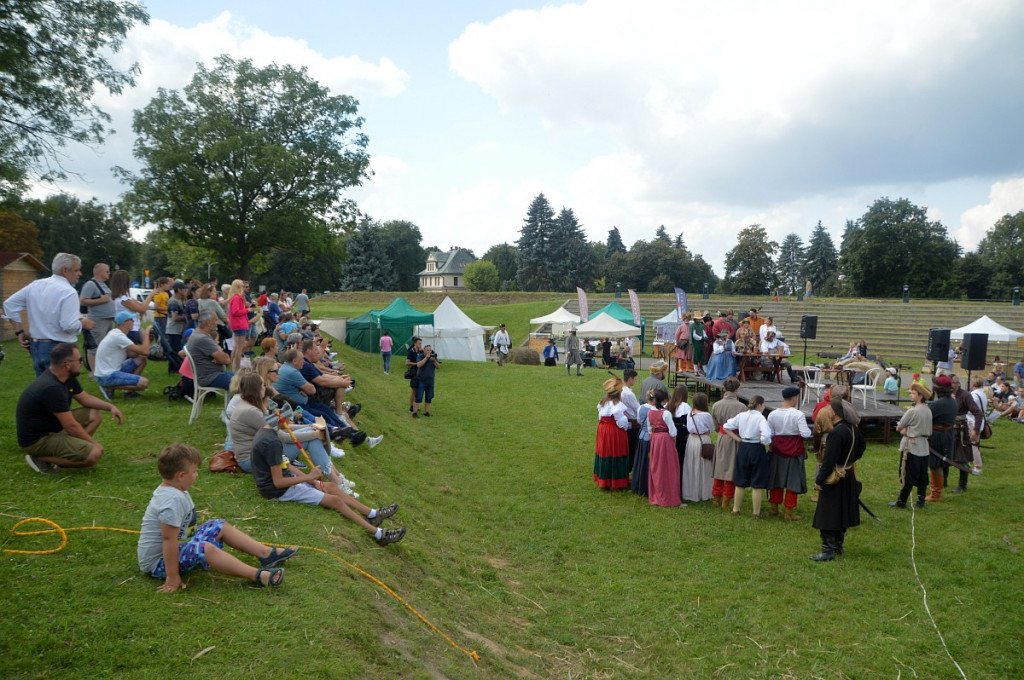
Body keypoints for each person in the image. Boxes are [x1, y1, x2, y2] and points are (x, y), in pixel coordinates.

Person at [138, 443, 299, 591]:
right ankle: (258, 576)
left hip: (177, 547)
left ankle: (266, 554)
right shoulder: (171, 501)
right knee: (204, 548)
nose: (197, 475)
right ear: (181, 475)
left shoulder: (176, 490)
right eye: (194, 471)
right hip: (159, 563)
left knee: (218, 525)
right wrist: (172, 577)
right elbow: (169, 540)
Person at [250, 423, 405, 546]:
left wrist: (314, 480)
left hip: (283, 483)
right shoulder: (272, 443)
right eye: (287, 420)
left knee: (330, 487)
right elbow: (278, 482)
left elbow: (287, 466)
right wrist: (308, 477)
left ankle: (373, 514)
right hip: (277, 491)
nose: (290, 423)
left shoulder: (270, 435)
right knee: (335, 501)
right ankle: (378, 534)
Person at [15, 342, 124, 473]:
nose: (81, 363)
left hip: (51, 428)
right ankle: (41, 459)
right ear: (67, 364)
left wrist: (110, 407)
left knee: (94, 414)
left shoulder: (66, 377)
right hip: (37, 441)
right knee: (93, 454)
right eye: (79, 360)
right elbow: (70, 426)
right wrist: (94, 444)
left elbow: (85, 399)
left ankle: (71, 452)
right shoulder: (52, 388)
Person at [229, 373, 345, 486]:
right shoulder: (251, 411)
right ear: (257, 388)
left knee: (310, 433)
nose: (266, 387)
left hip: (260, 454)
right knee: (312, 438)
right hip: (252, 460)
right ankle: (336, 480)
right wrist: (314, 435)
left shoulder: (251, 405)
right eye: (263, 384)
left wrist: (308, 426)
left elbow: (281, 427)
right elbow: (282, 437)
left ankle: (336, 477)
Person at [3, 252, 95, 376]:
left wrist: (19, 332)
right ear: (65, 271)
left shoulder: (35, 285)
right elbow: (69, 325)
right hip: (60, 349)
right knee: (62, 390)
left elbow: (10, 304)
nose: (80, 274)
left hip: (36, 346)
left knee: (44, 390)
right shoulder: (69, 292)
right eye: (77, 270)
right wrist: (84, 324)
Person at [810, 397, 866, 561]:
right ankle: (838, 546)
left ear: (834, 412)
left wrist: (819, 480)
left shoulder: (836, 433)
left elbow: (828, 461)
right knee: (842, 511)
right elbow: (862, 447)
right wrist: (849, 461)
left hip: (835, 478)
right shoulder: (853, 429)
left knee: (828, 514)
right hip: (847, 475)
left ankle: (828, 551)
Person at [767, 386, 812, 520]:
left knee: (776, 478)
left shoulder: (773, 414)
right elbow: (805, 433)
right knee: (793, 480)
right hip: (794, 450)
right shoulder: (798, 414)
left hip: (777, 450)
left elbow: (770, 433)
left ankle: (774, 508)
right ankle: (788, 512)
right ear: (794, 398)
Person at [723, 395, 772, 518]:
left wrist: (738, 439)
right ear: (759, 405)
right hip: (756, 447)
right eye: (764, 404)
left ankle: (736, 509)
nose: (764, 407)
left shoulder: (742, 415)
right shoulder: (761, 418)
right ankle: (756, 512)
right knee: (757, 481)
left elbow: (726, 426)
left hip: (744, 447)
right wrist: (763, 441)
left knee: (740, 479)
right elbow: (766, 435)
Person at [890, 383, 933, 509]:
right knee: (922, 473)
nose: (911, 395)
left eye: (914, 393)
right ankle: (921, 500)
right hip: (924, 446)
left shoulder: (912, 411)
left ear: (920, 396)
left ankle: (902, 501)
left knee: (907, 472)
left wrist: (906, 430)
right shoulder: (928, 410)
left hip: (912, 446)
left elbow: (899, 427)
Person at [94, 311, 151, 400]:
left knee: (141, 360)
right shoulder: (118, 336)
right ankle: (108, 387)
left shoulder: (118, 334)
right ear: (124, 323)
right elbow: (145, 351)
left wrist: (145, 344)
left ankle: (128, 392)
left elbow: (133, 354)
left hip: (111, 370)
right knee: (144, 383)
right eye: (131, 320)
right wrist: (147, 333)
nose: (133, 321)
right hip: (106, 375)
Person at [711, 377, 744, 509]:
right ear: (736, 390)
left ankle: (716, 497)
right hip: (735, 438)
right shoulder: (741, 407)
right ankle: (726, 499)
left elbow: (714, 425)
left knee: (719, 466)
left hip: (721, 437)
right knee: (731, 468)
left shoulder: (716, 405)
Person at [646, 386, 682, 507]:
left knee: (656, 467)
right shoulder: (665, 413)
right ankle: (669, 497)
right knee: (669, 468)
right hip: (665, 441)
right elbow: (673, 431)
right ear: (663, 401)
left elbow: (649, 429)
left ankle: (657, 494)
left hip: (655, 440)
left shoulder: (650, 411)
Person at [594, 377, 630, 490]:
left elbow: (601, 416)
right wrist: (629, 425)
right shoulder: (617, 406)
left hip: (603, 430)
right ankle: (616, 481)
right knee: (615, 453)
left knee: (605, 452)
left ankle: (604, 480)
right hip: (614, 431)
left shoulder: (603, 402)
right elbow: (621, 423)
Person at [948, 375, 983, 493]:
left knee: (962, 459)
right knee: (944, 455)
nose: (951, 385)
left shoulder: (965, 395)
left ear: (958, 383)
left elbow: (978, 413)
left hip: (960, 430)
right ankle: (943, 482)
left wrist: (976, 430)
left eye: (953, 383)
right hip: (947, 429)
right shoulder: (946, 394)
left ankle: (962, 485)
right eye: (949, 383)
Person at [79, 262, 115, 376]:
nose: (109, 273)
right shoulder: (91, 284)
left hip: (108, 320)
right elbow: (83, 300)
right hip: (98, 321)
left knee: (106, 346)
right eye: (107, 271)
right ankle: (93, 373)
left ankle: (102, 370)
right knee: (95, 347)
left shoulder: (103, 285)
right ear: (99, 272)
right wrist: (101, 300)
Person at [926, 376, 957, 503]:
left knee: (935, 464)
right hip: (947, 434)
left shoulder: (939, 404)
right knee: (940, 463)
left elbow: (927, 417)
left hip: (939, 435)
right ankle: (937, 490)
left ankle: (936, 493)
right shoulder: (952, 401)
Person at [186, 310, 234, 390]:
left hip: (211, 375)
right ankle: (238, 402)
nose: (217, 322)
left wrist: (219, 357)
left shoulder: (197, 334)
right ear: (208, 322)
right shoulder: (203, 339)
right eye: (215, 320)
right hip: (211, 377)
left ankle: (237, 401)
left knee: (246, 377)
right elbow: (226, 360)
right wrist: (220, 355)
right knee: (247, 383)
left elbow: (223, 359)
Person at [682, 392, 714, 502]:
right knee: (704, 465)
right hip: (703, 439)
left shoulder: (690, 413)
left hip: (691, 440)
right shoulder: (706, 416)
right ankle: (703, 491)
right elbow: (711, 428)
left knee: (691, 464)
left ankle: (691, 491)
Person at [630, 389, 655, 497]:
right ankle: (648, 486)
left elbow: (639, 421)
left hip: (642, 437)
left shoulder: (641, 408)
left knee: (641, 462)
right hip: (651, 438)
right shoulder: (656, 410)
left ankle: (639, 484)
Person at [667, 385, 691, 482]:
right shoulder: (685, 406)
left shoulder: (668, 405)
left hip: (670, 433)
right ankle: (679, 480)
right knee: (680, 456)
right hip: (681, 434)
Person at [226, 279, 251, 371]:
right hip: (240, 324)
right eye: (242, 286)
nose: (244, 288)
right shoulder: (237, 298)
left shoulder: (235, 297)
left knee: (236, 347)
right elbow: (235, 311)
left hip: (237, 324)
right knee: (239, 348)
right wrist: (248, 310)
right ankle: (236, 368)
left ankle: (233, 366)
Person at [620, 369, 642, 470]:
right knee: (632, 449)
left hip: (626, 421)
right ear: (630, 379)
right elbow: (638, 408)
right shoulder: (628, 394)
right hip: (632, 422)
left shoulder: (622, 390)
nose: (635, 381)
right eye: (634, 379)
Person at [165, 282, 189, 372]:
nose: (186, 291)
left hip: (178, 329)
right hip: (173, 330)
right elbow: (174, 317)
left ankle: (176, 368)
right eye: (184, 289)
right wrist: (186, 318)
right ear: (178, 290)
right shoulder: (173, 301)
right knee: (175, 350)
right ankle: (173, 370)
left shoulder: (179, 300)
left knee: (177, 349)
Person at [412, 344, 441, 418]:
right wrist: (426, 358)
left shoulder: (433, 357)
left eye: (430, 350)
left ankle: (427, 412)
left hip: (430, 381)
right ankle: (414, 412)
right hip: (421, 380)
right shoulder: (420, 356)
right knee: (418, 397)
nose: (429, 351)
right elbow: (419, 365)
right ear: (424, 351)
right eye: (427, 350)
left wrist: (434, 361)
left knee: (429, 397)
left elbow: (438, 367)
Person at [969, 375, 987, 475]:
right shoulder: (983, 394)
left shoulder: (973, 396)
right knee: (974, 443)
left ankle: (978, 466)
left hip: (973, 421)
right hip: (980, 421)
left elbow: (971, 410)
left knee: (973, 445)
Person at [406, 336, 424, 411]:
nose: (420, 345)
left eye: (421, 343)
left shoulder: (421, 351)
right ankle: (411, 407)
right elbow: (407, 362)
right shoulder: (411, 351)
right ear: (415, 344)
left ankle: (416, 406)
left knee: (419, 390)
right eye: (419, 343)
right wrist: (416, 364)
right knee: (414, 390)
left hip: (420, 373)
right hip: (414, 373)